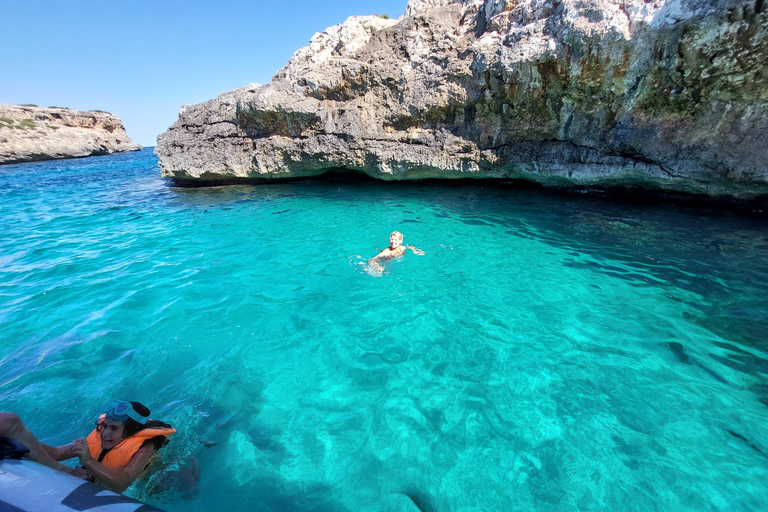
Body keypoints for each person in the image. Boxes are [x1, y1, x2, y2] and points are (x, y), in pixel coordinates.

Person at [0, 400, 175, 493]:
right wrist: (21, 438)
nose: (105, 433)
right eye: (104, 425)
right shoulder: (99, 437)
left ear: (130, 433)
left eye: (114, 428)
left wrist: (89, 461)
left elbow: (122, 484)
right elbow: (55, 453)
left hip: (153, 478)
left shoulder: (145, 448)